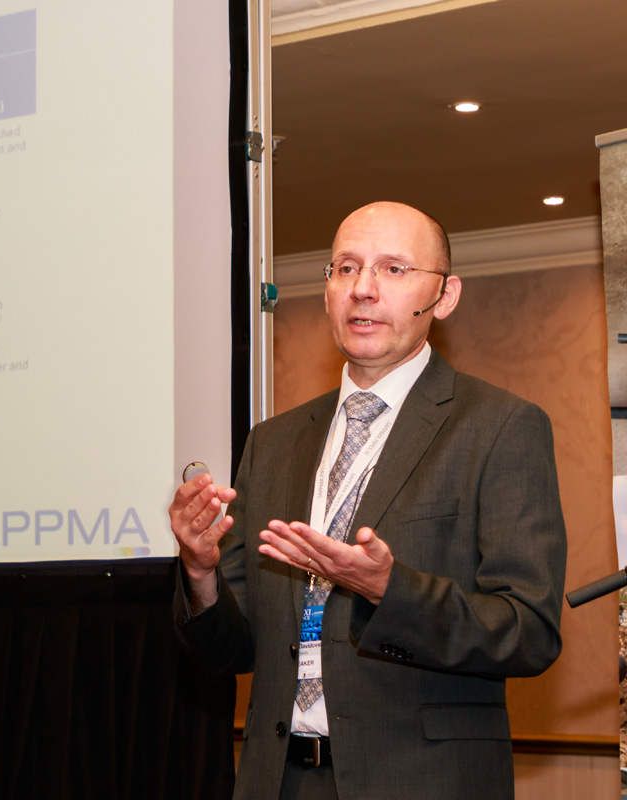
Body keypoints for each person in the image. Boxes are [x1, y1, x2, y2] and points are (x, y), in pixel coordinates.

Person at [170, 201, 566, 800]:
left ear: (445, 296)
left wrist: (389, 589)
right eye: (346, 268)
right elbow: (232, 649)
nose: (363, 288)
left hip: (423, 783)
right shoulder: (272, 444)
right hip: (278, 781)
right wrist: (201, 574)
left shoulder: (500, 427)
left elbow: (528, 631)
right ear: (328, 290)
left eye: (393, 269)